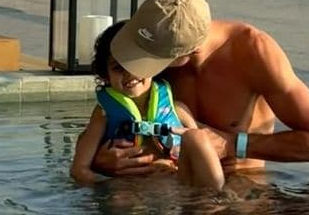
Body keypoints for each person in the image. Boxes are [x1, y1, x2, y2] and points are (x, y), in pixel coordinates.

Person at [91, 0, 309, 179]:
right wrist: (100, 161)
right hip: (163, 186)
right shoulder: (162, 32)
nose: (135, 67)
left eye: (148, 59)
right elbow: (115, 122)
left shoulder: (254, 53)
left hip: (240, 191)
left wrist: (232, 144)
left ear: (189, 52)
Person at [71, 19, 225, 189]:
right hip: (130, 189)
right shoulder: (103, 115)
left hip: (175, 185)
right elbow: (79, 170)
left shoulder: (177, 109)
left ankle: (215, 198)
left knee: (198, 136)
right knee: (121, 198)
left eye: (137, 64)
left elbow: (205, 151)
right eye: (118, 68)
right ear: (105, 75)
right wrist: (109, 185)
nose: (129, 74)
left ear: (154, 66)